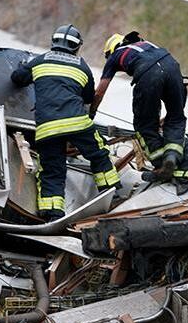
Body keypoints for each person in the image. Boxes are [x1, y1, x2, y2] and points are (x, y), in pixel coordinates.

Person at [11, 24, 120, 221]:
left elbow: (17, 78)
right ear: (77, 46)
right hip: (77, 123)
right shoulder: (81, 65)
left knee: (51, 170)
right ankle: (111, 191)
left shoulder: (40, 61)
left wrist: (26, 68)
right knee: (98, 153)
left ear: (53, 42)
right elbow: (88, 97)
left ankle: (52, 213)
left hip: (47, 128)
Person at [90, 31, 188, 194]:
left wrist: (90, 114)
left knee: (145, 127)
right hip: (173, 67)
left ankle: (163, 167)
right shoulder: (147, 44)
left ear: (111, 50)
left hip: (149, 74)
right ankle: (179, 167)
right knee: (175, 118)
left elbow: (99, 92)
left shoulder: (114, 56)